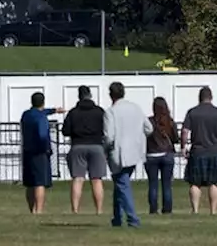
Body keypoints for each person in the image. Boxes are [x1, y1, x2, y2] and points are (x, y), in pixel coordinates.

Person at [103, 82, 152, 229]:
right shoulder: (136, 108)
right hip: (135, 151)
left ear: (111, 94)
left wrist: (105, 148)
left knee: (122, 184)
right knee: (120, 184)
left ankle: (133, 219)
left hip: (119, 152)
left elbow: (109, 136)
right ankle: (117, 217)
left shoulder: (110, 112)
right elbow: (149, 128)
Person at [181, 86, 217, 215]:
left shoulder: (192, 112)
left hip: (197, 151)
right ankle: (213, 211)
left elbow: (185, 131)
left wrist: (183, 147)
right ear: (211, 97)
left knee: (195, 183)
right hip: (215, 151)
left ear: (200, 98)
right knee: (214, 182)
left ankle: (195, 210)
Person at [61, 85, 107, 214]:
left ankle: (75, 209)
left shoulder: (73, 112)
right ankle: (99, 209)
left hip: (78, 145)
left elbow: (65, 131)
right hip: (97, 146)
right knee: (96, 179)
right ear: (90, 95)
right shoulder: (99, 111)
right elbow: (106, 129)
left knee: (78, 178)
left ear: (79, 96)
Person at [19, 92, 61, 214]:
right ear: (43, 102)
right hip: (40, 152)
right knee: (40, 182)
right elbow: (42, 134)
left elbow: (41, 112)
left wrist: (53, 110)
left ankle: (32, 209)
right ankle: (39, 210)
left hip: (27, 151)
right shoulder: (41, 118)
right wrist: (46, 148)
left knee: (30, 183)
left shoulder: (26, 115)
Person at [144, 97, 177, 215]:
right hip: (167, 154)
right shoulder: (170, 122)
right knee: (166, 184)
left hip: (151, 155)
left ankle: (153, 208)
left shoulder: (149, 122)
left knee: (153, 184)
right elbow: (175, 139)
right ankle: (167, 209)